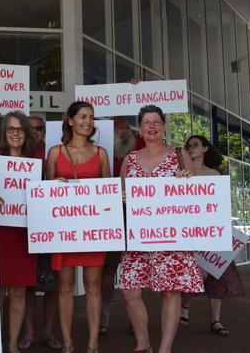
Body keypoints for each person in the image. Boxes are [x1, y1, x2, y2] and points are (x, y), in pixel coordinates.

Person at [119, 105, 203, 353]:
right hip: (137, 235)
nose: (152, 126)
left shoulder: (179, 154)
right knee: (130, 291)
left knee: (170, 290)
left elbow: (196, 194)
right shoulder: (130, 160)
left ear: (164, 126)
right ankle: (143, 343)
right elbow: (120, 196)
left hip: (170, 235)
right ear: (140, 129)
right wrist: (122, 197)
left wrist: (187, 180)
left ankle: (165, 348)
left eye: (156, 121)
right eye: (147, 122)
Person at [47, 101, 111, 353]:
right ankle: (68, 344)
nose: (88, 121)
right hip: (64, 231)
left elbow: (109, 193)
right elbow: (44, 193)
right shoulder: (54, 153)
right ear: (70, 119)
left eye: (91, 117)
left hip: (93, 231)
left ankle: (93, 344)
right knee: (64, 286)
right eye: (83, 116)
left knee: (93, 286)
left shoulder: (101, 154)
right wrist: (54, 185)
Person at [180, 135, 245, 336]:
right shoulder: (182, 174)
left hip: (212, 230)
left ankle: (215, 320)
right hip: (190, 231)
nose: (191, 148)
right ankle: (185, 304)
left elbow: (221, 205)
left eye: (196, 145)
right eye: (188, 146)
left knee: (215, 274)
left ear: (206, 149)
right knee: (197, 274)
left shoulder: (215, 175)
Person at [0, 110, 39, 353]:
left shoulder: (36, 162)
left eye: (19, 129)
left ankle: (12, 344)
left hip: (23, 233)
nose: (15, 133)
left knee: (19, 290)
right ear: (4, 132)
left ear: (26, 133)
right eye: (10, 129)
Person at [18, 115, 61, 351]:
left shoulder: (53, 152)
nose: (35, 132)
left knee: (52, 284)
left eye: (40, 128)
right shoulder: (18, 154)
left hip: (50, 225)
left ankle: (47, 331)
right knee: (27, 285)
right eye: (31, 128)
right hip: (23, 225)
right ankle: (28, 332)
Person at [99, 116, 139, 335]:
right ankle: (104, 314)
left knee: (134, 272)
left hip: (137, 220)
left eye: (125, 127)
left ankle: (135, 319)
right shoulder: (102, 154)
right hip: (111, 220)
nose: (123, 132)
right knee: (108, 271)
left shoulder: (139, 149)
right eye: (118, 128)